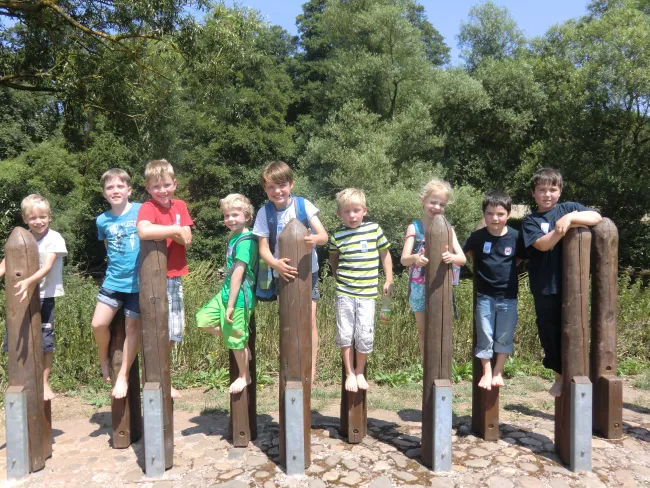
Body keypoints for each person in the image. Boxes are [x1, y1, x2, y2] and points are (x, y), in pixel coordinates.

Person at [521, 168, 602, 397]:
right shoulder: (530, 221)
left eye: (552, 189)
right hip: (545, 287)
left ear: (560, 191)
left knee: (575, 329)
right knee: (549, 331)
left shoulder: (568, 209)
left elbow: (596, 217)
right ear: (533, 193)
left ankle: (579, 373)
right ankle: (558, 374)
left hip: (573, 287)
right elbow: (543, 244)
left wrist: (570, 218)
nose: (547, 194)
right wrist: (561, 230)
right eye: (542, 190)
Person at [252, 160, 328, 382]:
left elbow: (323, 236)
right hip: (282, 273)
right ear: (265, 189)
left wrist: (314, 238)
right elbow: (263, 248)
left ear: (291, 184)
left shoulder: (303, 206)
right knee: (288, 321)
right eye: (271, 187)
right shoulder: (264, 212)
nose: (277, 191)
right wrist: (275, 264)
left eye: (281, 185)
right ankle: (290, 365)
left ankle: (311, 370)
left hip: (308, 273)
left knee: (309, 320)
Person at [1, 194, 67, 401]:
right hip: (19, 298)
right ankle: (19, 379)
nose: (38, 221)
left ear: (50, 216)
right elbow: (6, 264)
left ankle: (44, 382)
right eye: (33, 218)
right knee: (16, 338)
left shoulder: (54, 238)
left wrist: (29, 281)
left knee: (45, 341)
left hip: (44, 297)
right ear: (25, 219)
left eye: (42, 217)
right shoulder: (20, 238)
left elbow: (47, 267)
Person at [137, 159, 193, 399]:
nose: (162, 190)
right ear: (148, 188)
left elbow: (187, 239)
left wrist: (174, 231)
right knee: (155, 329)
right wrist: (174, 230)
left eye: (166, 185)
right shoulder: (148, 207)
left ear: (175, 184)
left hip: (174, 276)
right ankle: (156, 378)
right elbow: (144, 231)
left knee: (174, 331)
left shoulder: (179, 205)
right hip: (152, 278)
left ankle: (160, 374)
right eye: (156, 186)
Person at [329, 189, 393, 392]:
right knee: (345, 333)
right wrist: (335, 274)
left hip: (367, 294)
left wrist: (389, 279)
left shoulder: (374, 229)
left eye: (356, 210)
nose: (352, 216)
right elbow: (333, 258)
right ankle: (349, 373)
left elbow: (385, 254)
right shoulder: (337, 235)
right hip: (345, 293)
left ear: (364, 210)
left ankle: (359, 371)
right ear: (340, 213)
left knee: (365, 334)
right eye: (347, 211)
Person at [463, 191, 526, 390]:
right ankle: (487, 371)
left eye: (500, 214)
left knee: (505, 335)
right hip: (485, 296)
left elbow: (519, 259)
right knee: (485, 334)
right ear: (484, 214)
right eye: (490, 214)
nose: (495, 218)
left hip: (508, 296)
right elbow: (468, 253)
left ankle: (498, 371)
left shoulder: (516, 236)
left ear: (508, 214)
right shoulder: (477, 237)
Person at [196, 194, 258, 393]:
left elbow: (238, 275)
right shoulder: (233, 236)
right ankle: (239, 338)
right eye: (226, 216)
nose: (230, 219)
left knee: (236, 340)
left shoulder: (246, 241)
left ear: (247, 216)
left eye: (235, 215)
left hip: (240, 298)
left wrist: (230, 305)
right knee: (202, 320)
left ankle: (244, 376)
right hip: (224, 294)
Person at [400, 178, 466, 360]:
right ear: (423, 200)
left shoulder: (448, 230)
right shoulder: (414, 227)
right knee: (423, 331)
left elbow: (462, 259)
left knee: (440, 330)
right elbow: (404, 260)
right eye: (433, 202)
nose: (436, 207)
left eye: (441, 204)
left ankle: (441, 365)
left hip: (440, 286)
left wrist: (451, 257)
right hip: (419, 288)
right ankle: (426, 366)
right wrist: (415, 258)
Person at [91, 168, 142, 399]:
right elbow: (108, 250)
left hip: (138, 285)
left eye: (120, 186)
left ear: (129, 189)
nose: (115, 190)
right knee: (98, 324)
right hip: (113, 281)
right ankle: (103, 357)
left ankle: (122, 375)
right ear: (104, 193)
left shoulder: (142, 211)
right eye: (110, 187)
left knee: (133, 329)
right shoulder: (102, 220)